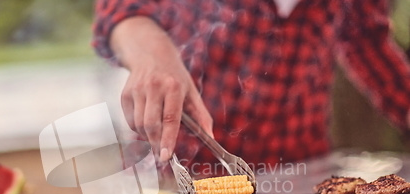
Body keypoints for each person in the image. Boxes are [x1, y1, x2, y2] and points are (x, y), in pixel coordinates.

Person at [92, 0, 410, 176]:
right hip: (182, 170)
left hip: (300, 171)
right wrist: (153, 59)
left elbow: (369, 42)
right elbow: (122, 9)